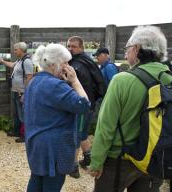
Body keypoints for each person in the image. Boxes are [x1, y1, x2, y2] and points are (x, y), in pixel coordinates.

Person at [89, 25, 168, 191]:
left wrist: (96, 162)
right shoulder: (168, 78)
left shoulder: (122, 80)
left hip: (119, 159)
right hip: (155, 158)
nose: (126, 53)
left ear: (137, 48)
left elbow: (105, 127)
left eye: (128, 48)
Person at [24, 44, 90, 192]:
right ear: (54, 64)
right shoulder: (55, 85)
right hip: (54, 146)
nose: (69, 67)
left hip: (36, 142)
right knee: (52, 185)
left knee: (36, 179)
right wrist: (75, 81)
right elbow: (84, 105)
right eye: (65, 63)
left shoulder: (34, 81)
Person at [66, 36, 106, 178]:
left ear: (81, 48)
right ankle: (89, 158)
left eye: (74, 46)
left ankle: (73, 168)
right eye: (69, 46)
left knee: (76, 134)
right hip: (89, 104)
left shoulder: (78, 65)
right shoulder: (86, 60)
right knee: (82, 133)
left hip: (83, 106)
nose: (70, 49)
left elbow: (78, 85)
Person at [0, 42, 34, 143]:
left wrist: (25, 93)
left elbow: (29, 77)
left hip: (21, 92)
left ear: (21, 50)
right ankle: (17, 131)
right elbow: (11, 65)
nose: (14, 51)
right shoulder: (19, 60)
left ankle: (24, 134)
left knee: (23, 114)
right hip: (16, 91)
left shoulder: (26, 61)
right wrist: (2, 61)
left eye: (15, 50)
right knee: (17, 113)